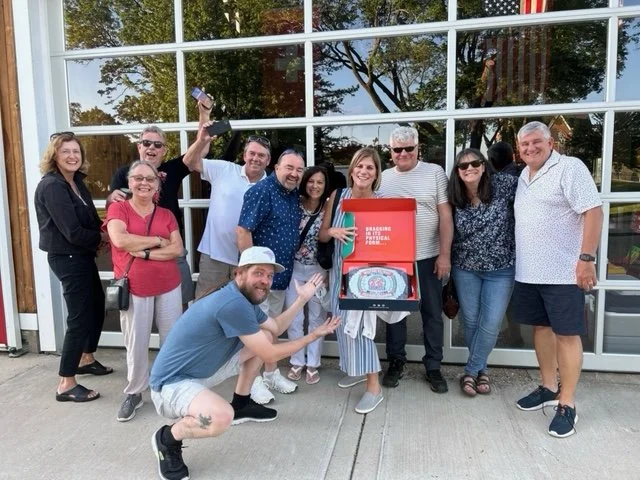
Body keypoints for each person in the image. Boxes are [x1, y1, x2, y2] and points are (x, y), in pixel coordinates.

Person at [148, 246, 340, 480]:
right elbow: (270, 355)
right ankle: (168, 438)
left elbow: (276, 327)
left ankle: (241, 403)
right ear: (239, 273)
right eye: (258, 273)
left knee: (265, 335)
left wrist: (302, 298)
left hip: (204, 370)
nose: (265, 281)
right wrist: (313, 335)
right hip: (171, 386)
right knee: (219, 418)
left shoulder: (243, 300)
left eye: (269, 275)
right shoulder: (232, 304)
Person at [513, 121, 603, 438]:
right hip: (530, 272)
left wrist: (586, 259)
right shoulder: (523, 176)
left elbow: (593, 211)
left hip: (564, 273)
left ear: (551, 143)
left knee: (566, 334)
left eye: (536, 142)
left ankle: (567, 403)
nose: (530, 148)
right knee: (541, 329)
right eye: (524, 144)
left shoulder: (569, 168)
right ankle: (549, 386)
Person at [35, 132, 112, 403]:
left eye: (76, 151)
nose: (72, 156)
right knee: (79, 317)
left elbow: (90, 218)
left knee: (97, 305)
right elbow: (72, 231)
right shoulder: (52, 186)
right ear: (54, 156)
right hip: (66, 257)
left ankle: (85, 358)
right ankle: (66, 383)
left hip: (81, 255)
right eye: (65, 151)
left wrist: (104, 230)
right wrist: (102, 238)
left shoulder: (76, 181)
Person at [105, 160, 184, 422]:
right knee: (136, 342)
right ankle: (135, 392)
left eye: (150, 179)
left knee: (171, 340)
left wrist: (146, 253)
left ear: (157, 185)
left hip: (169, 285)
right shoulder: (118, 209)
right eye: (138, 178)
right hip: (135, 287)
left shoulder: (166, 215)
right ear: (129, 182)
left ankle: (168, 386)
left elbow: (177, 249)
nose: (144, 183)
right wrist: (158, 241)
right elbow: (120, 239)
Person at [107, 107, 211, 306]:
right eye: (146, 143)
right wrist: (111, 196)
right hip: (136, 252)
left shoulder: (172, 169)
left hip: (170, 248)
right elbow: (114, 210)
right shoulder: (124, 174)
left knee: (178, 306)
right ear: (139, 146)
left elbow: (201, 152)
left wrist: (204, 115)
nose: (151, 148)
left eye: (157, 144)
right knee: (140, 310)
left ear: (163, 150)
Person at [378, 126, 453, 393]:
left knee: (432, 314)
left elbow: (445, 215)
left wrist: (444, 254)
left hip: (428, 256)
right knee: (395, 315)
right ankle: (396, 361)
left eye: (409, 148)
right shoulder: (383, 178)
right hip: (394, 259)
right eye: (398, 149)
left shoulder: (434, 173)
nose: (403, 153)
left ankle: (433, 366)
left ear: (418, 148)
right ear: (391, 151)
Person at [318, 147, 385, 414]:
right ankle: (355, 370)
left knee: (362, 327)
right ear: (352, 170)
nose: (363, 171)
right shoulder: (338, 196)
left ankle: (374, 387)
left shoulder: (382, 202)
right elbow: (322, 234)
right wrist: (334, 231)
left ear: (376, 173)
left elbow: (391, 239)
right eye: (359, 166)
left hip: (369, 276)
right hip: (339, 272)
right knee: (342, 323)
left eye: (370, 167)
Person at [236, 150, 306, 403]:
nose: (294, 174)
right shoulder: (261, 191)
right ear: (276, 168)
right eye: (289, 167)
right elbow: (243, 231)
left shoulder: (292, 195)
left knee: (272, 328)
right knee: (257, 332)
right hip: (260, 280)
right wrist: (251, 275)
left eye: (299, 170)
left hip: (280, 277)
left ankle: (270, 373)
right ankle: (252, 382)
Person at [448, 148, 518, 396]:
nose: (469, 168)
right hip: (465, 268)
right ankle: (482, 371)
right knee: (471, 321)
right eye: (463, 166)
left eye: (475, 163)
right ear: (457, 172)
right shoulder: (454, 195)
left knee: (490, 323)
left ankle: (470, 370)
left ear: (484, 165)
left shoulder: (504, 185)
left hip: (501, 269)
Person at [182, 123, 271, 298]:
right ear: (244, 155)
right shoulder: (224, 169)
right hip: (214, 257)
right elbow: (189, 162)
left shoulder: (271, 186)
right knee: (205, 306)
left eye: (261, 155)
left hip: (249, 263)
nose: (256, 158)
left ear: (268, 161)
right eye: (252, 153)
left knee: (241, 309)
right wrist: (202, 141)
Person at [284, 166, 331, 385]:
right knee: (294, 317)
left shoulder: (329, 208)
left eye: (320, 182)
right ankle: (296, 361)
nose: (315, 186)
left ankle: (313, 363)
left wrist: (330, 272)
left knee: (316, 317)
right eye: (311, 181)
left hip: (318, 270)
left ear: (325, 185)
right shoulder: (294, 203)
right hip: (293, 268)